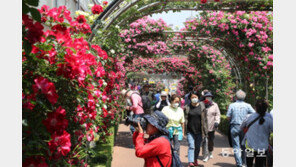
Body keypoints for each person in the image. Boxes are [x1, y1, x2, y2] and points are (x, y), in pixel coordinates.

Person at [226, 90, 256, 167]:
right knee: (244, 146)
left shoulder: (232, 105)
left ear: (236, 97)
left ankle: (239, 164)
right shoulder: (248, 105)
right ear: (244, 97)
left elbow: (228, 117)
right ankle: (244, 163)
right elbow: (254, 114)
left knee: (236, 146)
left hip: (234, 127)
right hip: (245, 128)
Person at [240, 99, 273, 167]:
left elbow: (241, 127)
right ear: (266, 108)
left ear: (255, 107)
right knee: (260, 165)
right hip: (263, 148)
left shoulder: (249, 117)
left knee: (249, 164)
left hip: (250, 147)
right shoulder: (269, 118)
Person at [184, 92, 208, 167]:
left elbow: (205, 120)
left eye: (195, 97)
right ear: (190, 99)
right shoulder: (187, 107)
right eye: (192, 97)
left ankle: (195, 159)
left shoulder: (202, 106)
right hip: (190, 130)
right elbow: (185, 119)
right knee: (191, 146)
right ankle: (190, 162)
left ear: (198, 97)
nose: (194, 99)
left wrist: (206, 131)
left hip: (200, 131)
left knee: (197, 147)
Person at [201, 91, 221, 162]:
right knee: (204, 140)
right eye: (207, 97)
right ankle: (205, 154)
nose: (208, 98)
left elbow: (217, 114)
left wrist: (216, 122)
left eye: (210, 97)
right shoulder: (202, 104)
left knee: (210, 140)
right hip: (203, 126)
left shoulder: (215, 105)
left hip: (212, 126)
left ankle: (210, 151)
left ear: (212, 98)